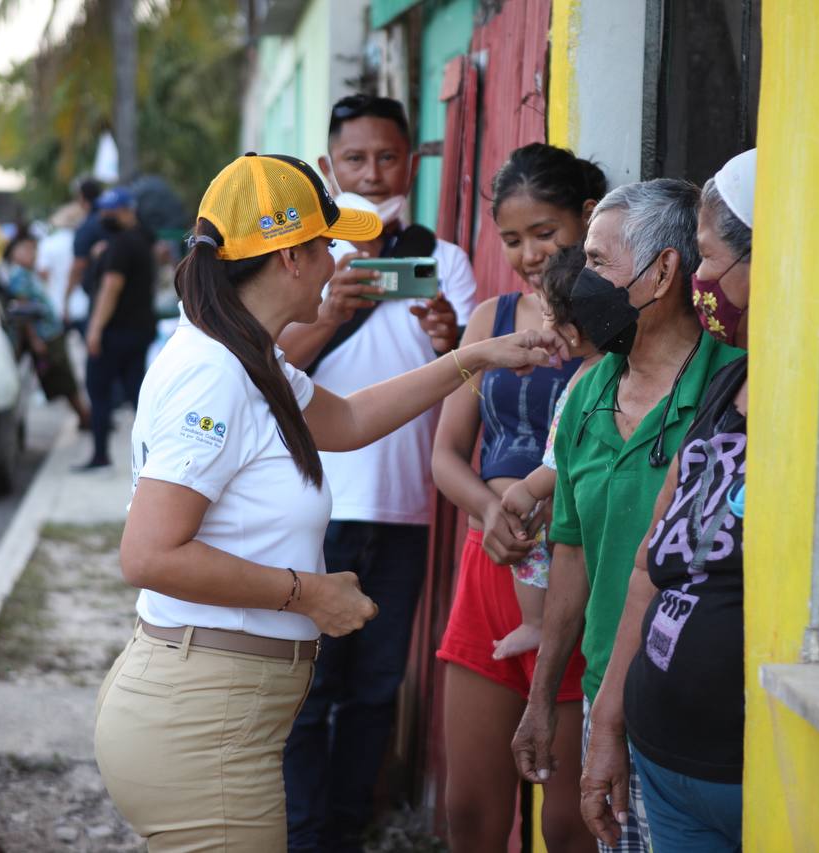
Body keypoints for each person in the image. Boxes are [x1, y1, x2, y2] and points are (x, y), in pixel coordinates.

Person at [92, 151, 569, 852]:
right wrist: (307, 593)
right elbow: (149, 552)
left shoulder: (248, 355)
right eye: (329, 242)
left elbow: (346, 420)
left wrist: (476, 357)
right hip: (204, 718)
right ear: (291, 257)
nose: (341, 257)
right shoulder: (216, 373)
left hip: (216, 709)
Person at [511, 178, 744, 853]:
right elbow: (573, 555)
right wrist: (541, 697)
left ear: (662, 271)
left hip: (699, 716)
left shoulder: (736, 389)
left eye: (597, 263)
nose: (579, 282)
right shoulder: (587, 391)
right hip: (601, 700)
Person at [277, 93, 478, 853]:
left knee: (373, 689)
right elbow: (263, 372)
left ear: (410, 162)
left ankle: (344, 829)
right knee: (308, 685)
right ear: (330, 167)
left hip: (404, 510)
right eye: (355, 159)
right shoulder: (301, 260)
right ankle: (302, 832)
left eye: (387, 157)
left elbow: (468, 384)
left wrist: (448, 336)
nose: (372, 171)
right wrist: (328, 309)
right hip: (312, 508)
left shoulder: (443, 259)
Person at [430, 142, 606, 852]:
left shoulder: (616, 323)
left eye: (545, 233)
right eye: (512, 239)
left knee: (568, 824)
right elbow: (445, 453)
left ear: (587, 218)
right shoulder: (490, 319)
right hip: (490, 568)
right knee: (470, 810)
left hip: (577, 577)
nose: (529, 254)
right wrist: (490, 512)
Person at [581, 150, 754, 853]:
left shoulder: (815, 401)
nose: (705, 276)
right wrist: (610, 726)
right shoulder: (726, 391)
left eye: (713, 257)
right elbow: (647, 572)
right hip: (662, 758)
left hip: (739, 768)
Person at [495, 244, 599, 660]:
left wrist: (528, 488)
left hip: (564, 493)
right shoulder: (598, 368)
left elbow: (566, 453)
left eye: (548, 316)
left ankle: (535, 623)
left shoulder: (591, 376)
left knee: (536, 544)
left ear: (572, 332)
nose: (543, 324)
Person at [76, 187, 157, 470]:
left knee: (98, 392)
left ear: (126, 211)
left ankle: (100, 455)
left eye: (110, 212)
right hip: (138, 330)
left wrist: (95, 329)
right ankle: (156, 453)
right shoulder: (142, 240)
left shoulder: (122, 244)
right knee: (137, 393)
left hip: (115, 333)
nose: (104, 217)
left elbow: (111, 287)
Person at [5, 230, 90, 429]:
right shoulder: (19, 276)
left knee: (67, 380)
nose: (32, 254)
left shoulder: (28, 273)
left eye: (34, 249)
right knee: (64, 381)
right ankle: (85, 418)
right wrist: (35, 340)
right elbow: (23, 313)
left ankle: (85, 417)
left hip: (51, 332)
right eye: (26, 249)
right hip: (45, 336)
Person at [63, 176, 105, 335]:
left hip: (100, 298)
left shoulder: (87, 227)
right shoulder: (111, 220)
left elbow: (78, 266)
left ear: (81, 198)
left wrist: (66, 299)